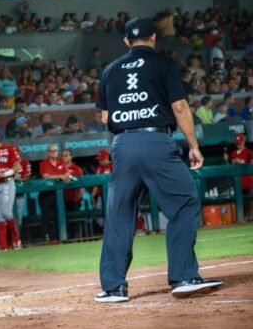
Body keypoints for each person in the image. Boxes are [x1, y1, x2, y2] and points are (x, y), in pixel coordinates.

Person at [94, 17, 222, 303]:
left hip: (122, 144)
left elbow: (104, 117)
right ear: (153, 38)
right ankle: (183, 276)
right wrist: (193, 145)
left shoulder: (110, 70)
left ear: (127, 41)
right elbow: (178, 106)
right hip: (155, 140)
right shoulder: (164, 64)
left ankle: (114, 288)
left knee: (119, 215)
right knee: (184, 202)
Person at [38, 144, 72, 242]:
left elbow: (67, 176)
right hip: (46, 194)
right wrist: (60, 176)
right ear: (48, 153)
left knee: (59, 216)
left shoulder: (61, 162)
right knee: (46, 217)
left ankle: (57, 237)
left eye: (55, 150)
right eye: (51, 151)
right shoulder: (43, 163)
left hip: (58, 194)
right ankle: (46, 237)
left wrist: (62, 176)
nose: (53, 152)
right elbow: (46, 176)